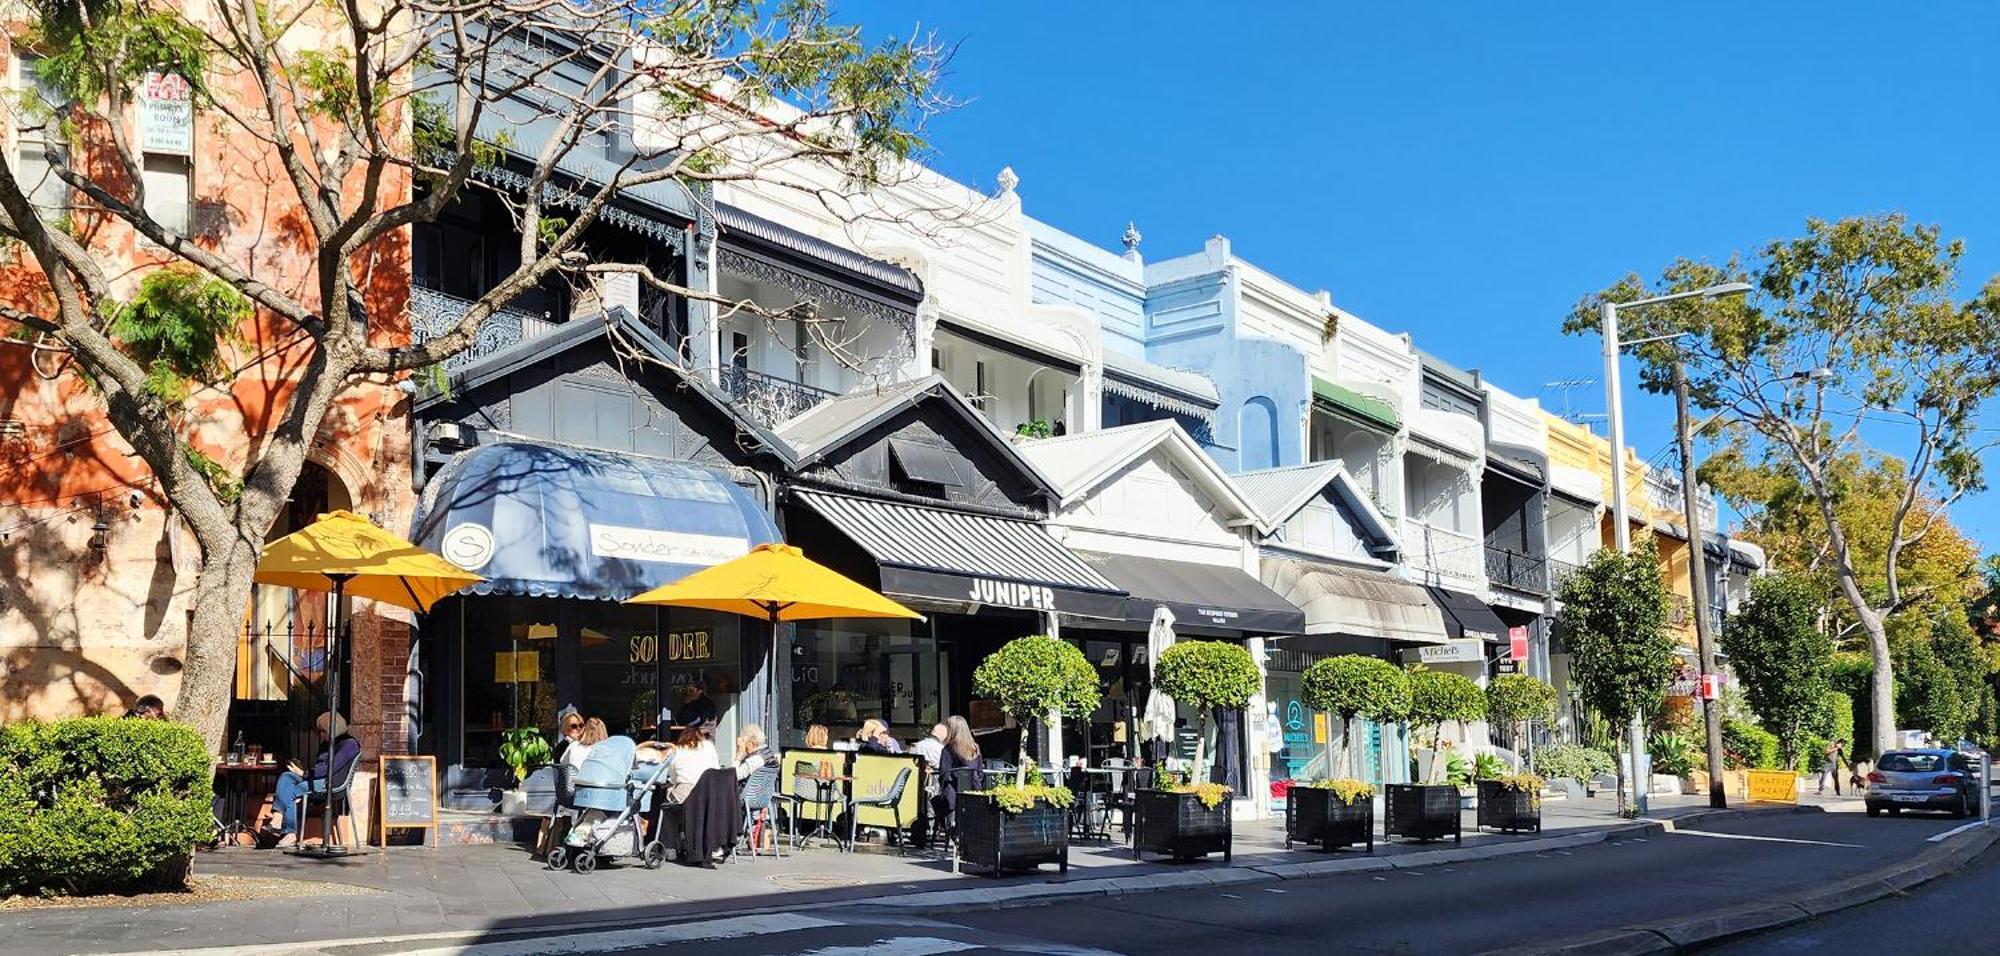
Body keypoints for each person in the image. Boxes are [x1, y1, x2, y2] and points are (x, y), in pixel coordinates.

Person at [262, 712, 359, 841]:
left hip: (330, 782)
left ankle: (286, 830)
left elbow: (330, 768)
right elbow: (318, 768)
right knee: (286, 777)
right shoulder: (326, 744)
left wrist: (304, 774)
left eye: (324, 731)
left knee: (294, 790)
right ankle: (280, 822)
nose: (321, 735)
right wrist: (303, 772)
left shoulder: (349, 744)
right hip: (316, 778)